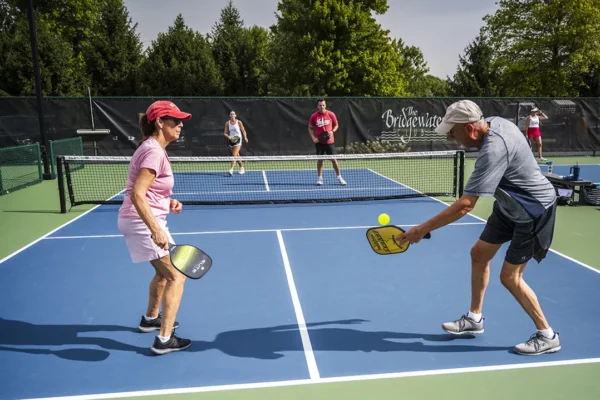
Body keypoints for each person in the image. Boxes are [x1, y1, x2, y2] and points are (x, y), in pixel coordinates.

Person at [396, 100, 560, 356]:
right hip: (509, 206)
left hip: (533, 210)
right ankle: (475, 319)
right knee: (479, 254)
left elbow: (465, 205)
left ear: (471, 129)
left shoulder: (493, 150)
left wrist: (421, 229)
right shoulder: (494, 122)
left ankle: (547, 335)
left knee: (510, 277)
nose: (452, 138)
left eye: (453, 132)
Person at [117, 100, 192, 355]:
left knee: (162, 274)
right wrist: (155, 229)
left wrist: (168, 201)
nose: (181, 125)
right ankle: (164, 339)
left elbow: (150, 190)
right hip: (142, 222)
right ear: (160, 122)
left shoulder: (155, 148)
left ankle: (150, 320)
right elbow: (138, 194)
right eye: (175, 120)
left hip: (147, 219)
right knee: (176, 276)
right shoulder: (153, 151)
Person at [308, 98, 346, 186]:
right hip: (319, 143)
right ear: (317, 106)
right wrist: (313, 138)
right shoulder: (314, 116)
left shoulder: (331, 114)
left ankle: (339, 177)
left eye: (323, 105)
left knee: (334, 160)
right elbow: (310, 128)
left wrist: (332, 131)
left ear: (325, 105)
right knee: (320, 161)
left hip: (330, 142)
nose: (322, 107)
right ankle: (320, 179)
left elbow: (336, 125)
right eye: (320, 105)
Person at [224, 110, 248, 176]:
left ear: (235, 115)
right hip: (232, 140)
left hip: (238, 139)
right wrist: (229, 137)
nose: (232, 115)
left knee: (234, 155)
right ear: (229, 116)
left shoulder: (239, 122)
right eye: (231, 114)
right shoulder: (227, 123)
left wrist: (245, 137)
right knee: (237, 154)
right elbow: (225, 133)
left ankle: (231, 169)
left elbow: (243, 130)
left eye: (233, 114)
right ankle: (241, 167)